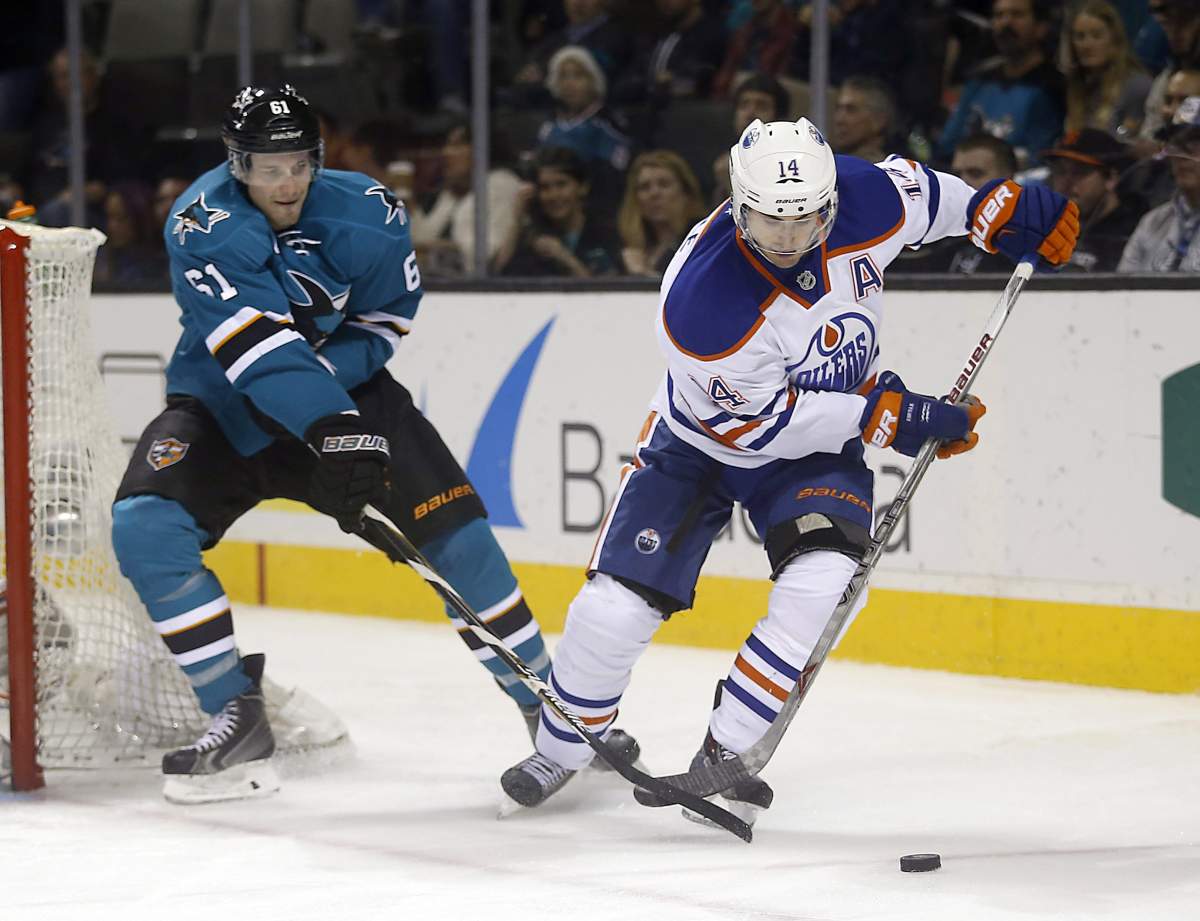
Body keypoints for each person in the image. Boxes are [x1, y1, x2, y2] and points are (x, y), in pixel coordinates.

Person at [499, 116, 1078, 822]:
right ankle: (563, 746)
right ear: (740, 207)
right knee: (611, 609)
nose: (790, 239)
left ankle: (728, 751)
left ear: (830, 200)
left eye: (806, 220)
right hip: (700, 443)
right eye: (771, 224)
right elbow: (761, 422)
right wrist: (889, 414)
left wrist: (996, 212)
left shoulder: (864, 194)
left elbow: (932, 198)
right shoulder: (701, 302)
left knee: (826, 582)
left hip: (812, 454)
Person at [108, 85, 634, 803]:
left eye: (298, 163)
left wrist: (335, 403)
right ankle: (234, 709)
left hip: (348, 396)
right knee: (145, 524)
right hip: (226, 404)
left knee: (460, 538)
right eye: (267, 168)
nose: (286, 182)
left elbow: (387, 320)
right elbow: (255, 350)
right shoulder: (205, 224)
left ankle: (550, 706)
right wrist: (331, 427)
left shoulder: (369, 213)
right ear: (237, 166)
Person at [936, 0, 1065, 165]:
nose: (1006, 22)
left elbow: (1041, 157)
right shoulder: (978, 80)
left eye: (1017, 15)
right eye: (999, 15)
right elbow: (947, 144)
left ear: (1041, 27)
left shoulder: (1054, 87)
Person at [494, 146, 622, 277]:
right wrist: (517, 221)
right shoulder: (533, 237)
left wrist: (565, 258)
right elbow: (497, 278)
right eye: (545, 187)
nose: (554, 195)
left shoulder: (605, 232)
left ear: (583, 187)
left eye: (561, 185)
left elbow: (607, 292)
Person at [1042, 128, 1145, 271]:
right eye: (1060, 171)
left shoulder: (1135, 231)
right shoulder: (1046, 226)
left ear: (1111, 178)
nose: (1066, 182)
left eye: (1079, 172)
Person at [1119, 95, 1200, 270]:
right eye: (1177, 144)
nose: (1182, 157)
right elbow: (1123, 290)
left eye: (1195, 145)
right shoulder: (1153, 222)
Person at [1059, 0, 1152, 138]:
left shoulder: (1137, 87)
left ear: (1115, 40)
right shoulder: (1078, 87)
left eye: (1096, 35)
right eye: (1080, 36)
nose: (1087, 45)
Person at [617, 149, 707, 277]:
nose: (654, 194)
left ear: (686, 193)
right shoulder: (629, 249)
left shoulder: (703, 241)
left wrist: (643, 275)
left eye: (664, 184)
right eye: (644, 187)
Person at [829, 75, 897, 165]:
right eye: (838, 108)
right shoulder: (827, 167)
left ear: (879, 120)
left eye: (851, 110)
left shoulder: (887, 172)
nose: (839, 120)